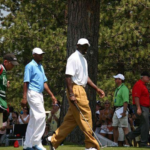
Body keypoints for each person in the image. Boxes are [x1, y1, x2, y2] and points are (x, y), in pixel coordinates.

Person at [47, 38, 105, 150]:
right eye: (83, 46)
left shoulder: (83, 59)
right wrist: (72, 94)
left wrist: (96, 88)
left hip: (80, 88)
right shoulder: (73, 58)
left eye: (86, 46)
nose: (85, 48)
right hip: (76, 89)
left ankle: (53, 140)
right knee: (87, 117)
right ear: (77, 46)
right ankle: (90, 145)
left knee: (71, 120)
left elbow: (85, 77)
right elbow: (68, 76)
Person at [21, 47, 57, 150]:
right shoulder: (30, 66)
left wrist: (52, 95)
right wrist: (24, 97)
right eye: (39, 54)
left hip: (39, 94)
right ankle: (36, 143)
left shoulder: (41, 67)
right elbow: (26, 82)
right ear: (34, 55)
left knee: (33, 119)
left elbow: (44, 83)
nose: (41, 56)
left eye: (42, 54)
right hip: (32, 93)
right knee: (41, 116)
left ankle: (27, 145)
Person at [126, 71, 150, 147]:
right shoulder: (138, 84)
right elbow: (136, 97)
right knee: (146, 124)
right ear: (143, 77)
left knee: (145, 125)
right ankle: (143, 142)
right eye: (148, 77)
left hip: (145, 107)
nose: (149, 78)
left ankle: (131, 136)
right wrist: (138, 108)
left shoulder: (144, 85)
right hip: (141, 106)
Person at [0, 54, 19, 125]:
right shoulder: (0, 67)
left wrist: (5, 83)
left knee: (5, 116)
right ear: (6, 62)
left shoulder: (4, 72)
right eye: (12, 64)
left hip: (2, 100)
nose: (13, 66)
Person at [112, 74, 129, 146]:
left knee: (124, 127)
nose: (115, 80)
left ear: (120, 80)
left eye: (116, 79)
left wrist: (124, 111)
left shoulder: (124, 89)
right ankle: (115, 143)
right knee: (114, 126)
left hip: (122, 109)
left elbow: (125, 101)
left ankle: (127, 144)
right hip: (116, 109)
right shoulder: (117, 88)